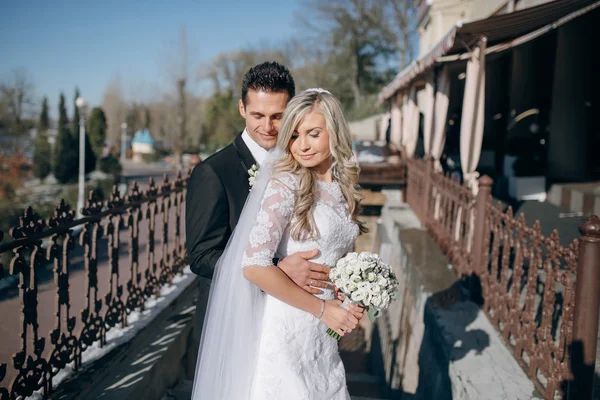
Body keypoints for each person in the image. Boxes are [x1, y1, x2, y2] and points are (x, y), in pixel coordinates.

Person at [192, 89, 367, 399]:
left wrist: (349, 292)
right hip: (288, 324)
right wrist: (323, 309)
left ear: (335, 131)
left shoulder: (341, 187)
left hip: (321, 336)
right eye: (295, 135)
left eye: (313, 133)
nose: (302, 145)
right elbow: (253, 267)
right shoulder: (286, 183)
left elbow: (333, 256)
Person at [185, 62, 334, 354]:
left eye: (278, 116)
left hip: (291, 321)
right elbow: (201, 257)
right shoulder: (213, 173)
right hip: (232, 319)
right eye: (257, 115)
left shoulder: (303, 161)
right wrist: (276, 270)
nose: (267, 127)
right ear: (242, 108)